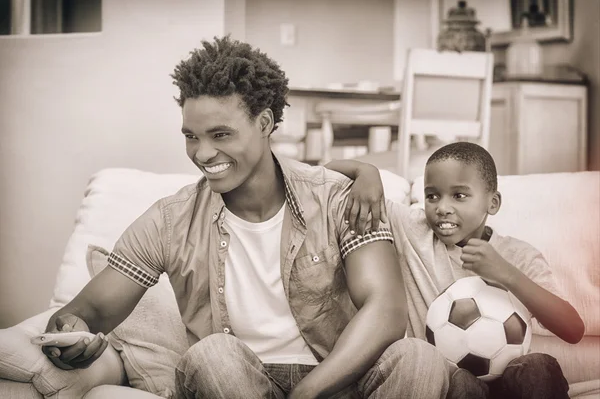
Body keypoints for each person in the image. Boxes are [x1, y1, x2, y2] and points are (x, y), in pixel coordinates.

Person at [41, 36, 450, 399]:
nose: (202, 153)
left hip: (339, 379)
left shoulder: (337, 197)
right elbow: (84, 311)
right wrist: (70, 334)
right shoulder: (169, 221)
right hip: (234, 382)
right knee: (212, 356)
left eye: (221, 135)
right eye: (191, 136)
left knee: (418, 358)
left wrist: (307, 392)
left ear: (265, 122)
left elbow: (386, 310)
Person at [328, 142, 585, 399]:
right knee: (454, 378)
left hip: (509, 387)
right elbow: (324, 177)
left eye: (459, 195)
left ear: (492, 203)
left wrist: (506, 273)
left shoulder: (520, 255)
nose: (442, 207)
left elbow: (573, 330)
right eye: (432, 196)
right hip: (449, 385)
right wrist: (366, 171)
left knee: (538, 365)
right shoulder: (413, 230)